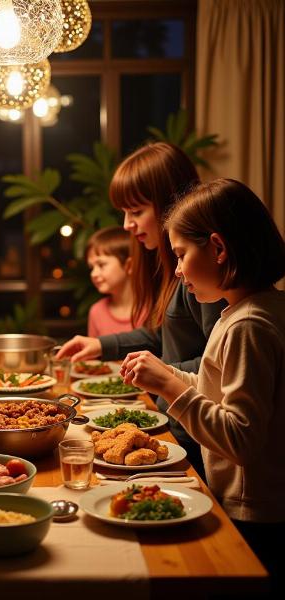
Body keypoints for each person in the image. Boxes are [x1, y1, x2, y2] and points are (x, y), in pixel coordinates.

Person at [120, 179, 285, 597]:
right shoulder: (247, 310)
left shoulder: (250, 325)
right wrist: (170, 375)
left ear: (217, 248)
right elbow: (216, 388)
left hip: (255, 511)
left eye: (180, 255)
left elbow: (242, 438)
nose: (176, 270)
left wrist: (171, 389)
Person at [56, 142, 226, 477]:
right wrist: (101, 345)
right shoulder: (171, 266)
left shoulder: (199, 272)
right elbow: (163, 335)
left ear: (169, 204)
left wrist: (161, 375)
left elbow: (218, 364)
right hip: (172, 423)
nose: (127, 225)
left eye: (136, 212)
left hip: (192, 437)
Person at [85, 225, 145, 336]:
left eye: (101, 265)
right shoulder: (97, 311)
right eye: (91, 267)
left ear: (129, 265)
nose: (93, 274)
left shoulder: (152, 310)